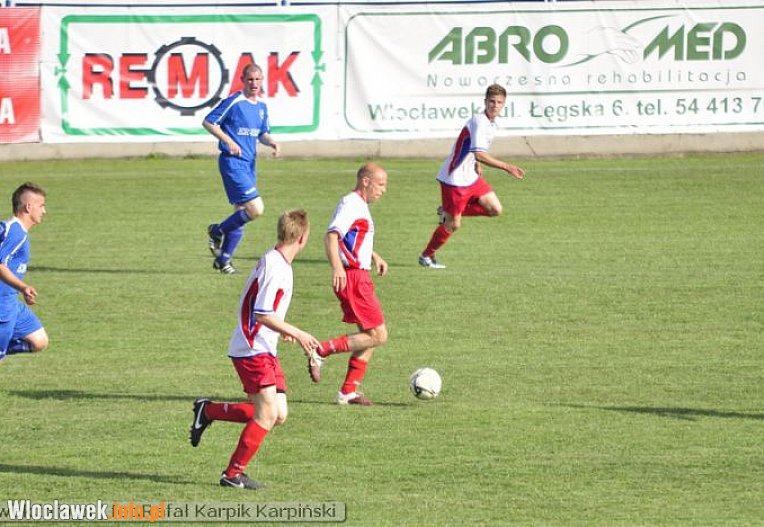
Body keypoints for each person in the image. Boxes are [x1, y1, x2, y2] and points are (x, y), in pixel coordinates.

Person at [189, 209, 320, 490]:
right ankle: (233, 474)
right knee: (267, 414)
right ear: (303, 237)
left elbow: (263, 308)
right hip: (252, 348)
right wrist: (297, 333)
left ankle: (208, 411)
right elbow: (261, 313)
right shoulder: (277, 267)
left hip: (263, 346)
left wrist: (281, 330)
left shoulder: (277, 261)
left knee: (278, 414)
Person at [306, 163, 388, 406]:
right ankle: (320, 350)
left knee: (370, 335)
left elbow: (354, 239)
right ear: (365, 181)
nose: (383, 190)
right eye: (380, 184)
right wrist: (337, 267)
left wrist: (374, 256)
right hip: (353, 278)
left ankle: (348, 392)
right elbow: (332, 236)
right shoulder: (351, 204)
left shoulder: (359, 205)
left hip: (358, 274)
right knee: (378, 335)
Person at [418, 84, 525, 269]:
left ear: (504, 104)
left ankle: (447, 212)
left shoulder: (491, 123)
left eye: (499, 102)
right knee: (453, 225)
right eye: (492, 101)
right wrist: (506, 166)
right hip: (455, 179)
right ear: (485, 101)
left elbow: (474, 150)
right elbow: (479, 153)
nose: (495, 105)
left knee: (495, 209)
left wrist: (477, 163)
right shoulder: (479, 121)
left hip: (471, 177)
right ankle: (426, 256)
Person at [203, 63, 280, 274]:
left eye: (257, 79)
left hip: (249, 165)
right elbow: (209, 122)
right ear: (243, 80)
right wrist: (228, 141)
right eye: (250, 79)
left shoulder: (262, 107)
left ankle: (223, 260)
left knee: (240, 214)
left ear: (262, 80)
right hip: (232, 163)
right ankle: (217, 231)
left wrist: (272, 142)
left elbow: (261, 134)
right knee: (256, 209)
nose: (254, 83)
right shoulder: (235, 101)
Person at [0, 182, 49, 362]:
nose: (44, 211)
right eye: (41, 206)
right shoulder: (15, 233)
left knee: (39, 341)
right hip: (2, 308)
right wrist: (23, 287)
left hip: (12, 303)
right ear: (28, 207)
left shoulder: (13, 230)